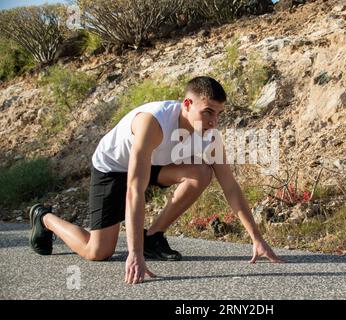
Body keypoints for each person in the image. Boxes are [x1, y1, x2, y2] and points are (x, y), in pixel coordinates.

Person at [29, 76, 282, 285]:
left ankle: (153, 235)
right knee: (97, 252)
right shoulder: (153, 122)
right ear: (186, 104)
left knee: (202, 172)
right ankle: (44, 217)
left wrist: (256, 237)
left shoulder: (210, 136)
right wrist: (134, 255)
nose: (213, 121)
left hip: (156, 164)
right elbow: (134, 189)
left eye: (218, 114)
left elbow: (231, 187)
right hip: (113, 167)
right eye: (207, 112)